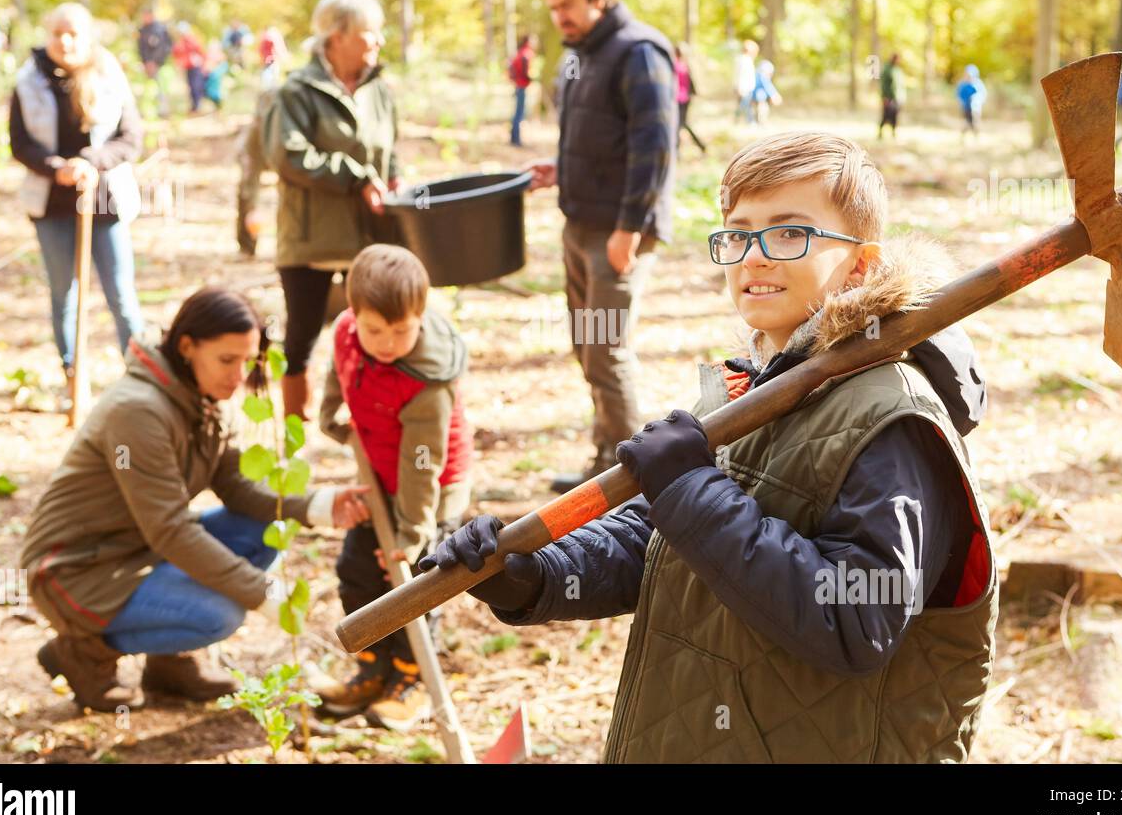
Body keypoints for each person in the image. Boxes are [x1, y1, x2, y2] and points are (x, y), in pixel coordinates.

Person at [426, 131, 998, 763]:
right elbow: (660, 542)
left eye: (788, 234)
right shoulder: (748, 390)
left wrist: (692, 490)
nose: (755, 257)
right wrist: (536, 575)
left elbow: (857, 620)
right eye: (739, 234)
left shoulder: (892, 418)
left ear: (860, 264)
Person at [21, 287, 370, 711]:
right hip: (76, 570)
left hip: (139, 548)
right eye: (227, 360)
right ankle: (83, 650)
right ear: (187, 346)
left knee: (267, 527)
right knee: (217, 616)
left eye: (248, 360)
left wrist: (320, 505)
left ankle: (169, 666)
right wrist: (261, 593)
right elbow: (169, 529)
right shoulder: (138, 411)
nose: (240, 375)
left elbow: (238, 487)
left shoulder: (204, 395)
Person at [522, 0, 677, 494]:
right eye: (552, 9)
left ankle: (642, 485)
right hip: (580, 223)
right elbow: (597, 137)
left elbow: (654, 145)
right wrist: (557, 171)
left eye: (566, 6)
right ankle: (605, 466)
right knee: (588, 349)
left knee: (606, 351)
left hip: (618, 231)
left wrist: (629, 228)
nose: (559, 17)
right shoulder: (582, 56)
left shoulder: (639, 52)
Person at [312, 245, 474, 729]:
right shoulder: (347, 332)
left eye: (401, 331)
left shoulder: (426, 378)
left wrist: (411, 534)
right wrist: (330, 416)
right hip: (379, 476)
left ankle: (412, 678)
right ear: (353, 314)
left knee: (413, 584)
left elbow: (423, 463)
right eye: (374, 330)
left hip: (430, 489)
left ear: (420, 317)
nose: (386, 342)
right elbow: (340, 367)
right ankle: (373, 666)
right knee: (358, 570)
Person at [262, 0, 403, 421]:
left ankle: (368, 421)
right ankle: (295, 430)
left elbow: (389, 147)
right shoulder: (295, 92)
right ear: (336, 37)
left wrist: (393, 179)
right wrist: (356, 176)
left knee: (373, 329)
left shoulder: (379, 88)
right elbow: (287, 156)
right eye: (368, 33)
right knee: (302, 332)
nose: (377, 41)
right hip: (311, 236)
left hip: (368, 231)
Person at [8, 2, 148, 394]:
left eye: (73, 34)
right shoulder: (28, 81)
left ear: (87, 38)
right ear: (47, 35)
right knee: (64, 292)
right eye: (57, 33)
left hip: (105, 200)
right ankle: (74, 375)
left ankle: (140, 378)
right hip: (51, 202)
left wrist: (90, 162)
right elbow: (20, 143)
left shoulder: (110, 76)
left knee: (120, 293)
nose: (65, 41)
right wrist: (58, 168)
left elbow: (130, 137)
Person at [235, 86, 276, 257]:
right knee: (247, 199)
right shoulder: (255, 135)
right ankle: (247, 246)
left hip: (274, 155)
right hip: (253, 157)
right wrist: (252, 209)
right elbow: (250, 183)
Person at [137, 9, 173, 117]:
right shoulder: (143, 30)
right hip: (147, 64)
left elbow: (163, 47)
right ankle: (149, 110)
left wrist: (155, 61)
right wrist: (145, 61)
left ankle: (162, 110)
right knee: (149, 88)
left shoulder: (160, 29)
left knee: (160, 86)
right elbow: (141, 48)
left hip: (158, 63)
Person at [674, 43, 705, 153]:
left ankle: (677, 150)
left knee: (679, 124)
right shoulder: (686, 65)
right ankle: (700, 145)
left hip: (678, 99)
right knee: (681, 124)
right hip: (685, 99)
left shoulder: (675, 66)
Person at [171, 22, 207, 114]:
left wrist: (203, 63)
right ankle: (194, 106)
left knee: (196, 86)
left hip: (195, 67)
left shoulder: (192, 40)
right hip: (188, 67)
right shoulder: (181, 42)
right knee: (191, 86)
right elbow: (176, 52)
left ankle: (197, 105)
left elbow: (200, 51)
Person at [508, 33, 536, 147]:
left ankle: (514, 138)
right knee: (519, 113)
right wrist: (532, 79)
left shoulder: (521, 53)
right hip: (521, 86)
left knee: (518, 112)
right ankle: (516, 139)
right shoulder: (526, 53)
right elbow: (525, 72)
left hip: (519, 85)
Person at [956, 64, 987, 139]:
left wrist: (978, 101)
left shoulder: (978, 84)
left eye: (970, 75)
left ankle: (976, 138)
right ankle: (962, 137)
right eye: (967, 74)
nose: (968, 76)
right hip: (966, 107)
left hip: (976, 107)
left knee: (976, 122)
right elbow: (959, 95)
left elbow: (983, 94)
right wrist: (961, 103)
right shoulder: (963, 84)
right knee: (967, 122)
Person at [878, 53, 904, 138]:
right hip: (888, 97)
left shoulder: (898, 70)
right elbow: (883, 84)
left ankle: (893, 133)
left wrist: (902, 97)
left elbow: (900, 85)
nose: (898, 61)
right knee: (886, 116)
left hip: (897, 97)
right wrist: (884, 97)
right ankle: (880, 133)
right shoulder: (887, 69)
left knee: (895, 116)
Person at [734, 39, 758, 123]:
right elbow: (740, 75)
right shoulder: (744, 60)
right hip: (744, 87)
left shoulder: (746, 59)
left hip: (747, 87)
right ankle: (747, 121)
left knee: (747, 105)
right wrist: (739, 87)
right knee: (744, 105)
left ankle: (747, 121)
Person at [752, 58, 782, 124]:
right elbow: (768, 86)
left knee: (759, 108)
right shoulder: (762, 76)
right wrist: (774, 95)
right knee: (762, 108)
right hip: (758, 97)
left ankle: (758, 121)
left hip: (756, 96)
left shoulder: (757, 74)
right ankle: (761, 121)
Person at [203, 41, 229, 110]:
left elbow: (224, 67)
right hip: (210, 79)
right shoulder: (208, 55)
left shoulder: (221, 56)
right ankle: (216, 107)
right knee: (209, 93)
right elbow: (206, 67)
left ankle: (219, 107)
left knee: (217, 94)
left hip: (216, 80)